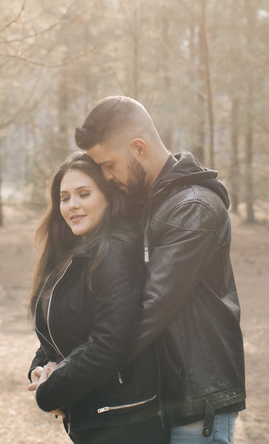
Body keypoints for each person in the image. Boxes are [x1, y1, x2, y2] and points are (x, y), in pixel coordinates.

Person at [75, 96, 245, 444]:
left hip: (196, 403)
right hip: (155, 399)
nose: (105, 177)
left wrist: (75, 376)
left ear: (138, 147)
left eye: (109, 165)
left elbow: (150, 307)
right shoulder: (150, 203)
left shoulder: (193, 207)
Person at [27, 151, 167, 444]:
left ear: (108, 197)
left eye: (84, 194)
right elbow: (57, 338)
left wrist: (49, 392)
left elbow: (110, 344)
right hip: (93, 419)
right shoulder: (67, 259)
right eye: (64, 197)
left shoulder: (115, 252)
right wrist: (39, 371)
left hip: (124, 423)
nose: (72, 205)